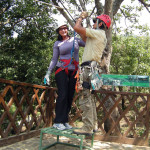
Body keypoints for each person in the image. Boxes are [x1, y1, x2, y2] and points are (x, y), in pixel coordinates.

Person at [73, 12, 111, 135]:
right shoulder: (99, 35)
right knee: (90, 98)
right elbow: (83, 36)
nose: (93, 23)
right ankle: (93, 125)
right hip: (92, 69)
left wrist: (80, 18)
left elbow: (76, 28)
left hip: (88, 68)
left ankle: (87, 127)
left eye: (95, 22)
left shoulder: (98, 33)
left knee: (85, 97)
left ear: (100, 24)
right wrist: (81, 25)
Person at [44, 23, 85, 130]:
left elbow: (86, 42)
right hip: (61, 69)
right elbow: (54, 59)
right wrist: (48, 73)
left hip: (74, 71)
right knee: (62, 94)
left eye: (65, 28)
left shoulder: (75, 40)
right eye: (60, 29)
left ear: (67, 29)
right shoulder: (57, 43)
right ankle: (57, 121)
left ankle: (64, 120)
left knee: (70, 96)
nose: (63, 30)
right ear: (58, 32)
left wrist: (80, 29)